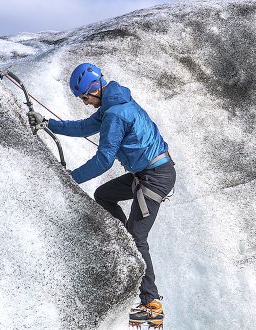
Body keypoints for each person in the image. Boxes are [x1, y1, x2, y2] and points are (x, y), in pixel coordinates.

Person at [28, 63, 175, 325]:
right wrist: (48, 124)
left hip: (155, 176)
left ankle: (151, 303)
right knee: (104, 195)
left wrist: (70, 178)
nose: (84, 102)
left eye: (85, 97)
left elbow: (105, 159)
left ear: (95, 89)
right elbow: (84, 127)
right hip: (145, 173)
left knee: (138, 236)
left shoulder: (115, 113)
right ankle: (122, 239)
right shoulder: (111, 105)